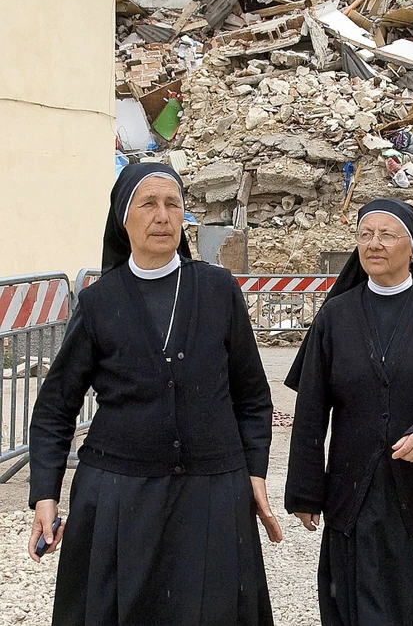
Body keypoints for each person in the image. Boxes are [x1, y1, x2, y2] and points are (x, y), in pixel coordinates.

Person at [27, 162, 281, 626]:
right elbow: (55, 408)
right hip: (120, 493)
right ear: (123, 219)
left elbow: (252, 397)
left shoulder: (218, 289)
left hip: (211, 490)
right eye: (148, 204)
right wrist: (46, 494)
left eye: (173, 204)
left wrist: (255, 471)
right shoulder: (100, 302)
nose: (163, 216)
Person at [285, 199, 413, 626]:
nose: (373, 244)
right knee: (361, 597)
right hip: (356, 487)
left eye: (386, 235)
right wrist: (305, 490)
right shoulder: (335, 316)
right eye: (365, 234)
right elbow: (311, 408)